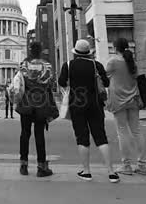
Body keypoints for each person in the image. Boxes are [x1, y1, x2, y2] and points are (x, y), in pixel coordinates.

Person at [58, 39, 119, 183]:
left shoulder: (68, 65)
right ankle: (111, 172)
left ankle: (86, 171)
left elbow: (61, 82)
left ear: (76, 52)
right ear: (88, 53)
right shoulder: (96, 65)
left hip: (77, 104)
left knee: (82, 137)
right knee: (100, 136)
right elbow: (106, 83)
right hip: (95, 104)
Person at [106, 37, 146, 176]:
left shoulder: (113, 62)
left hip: (118, 99)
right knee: (136, 131)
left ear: (115, 47)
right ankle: (142, 165)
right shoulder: (132, 62)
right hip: (134, 98)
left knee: (122, 131)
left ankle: (126, 165)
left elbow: (105, 77)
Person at [16, 42, 57, 178]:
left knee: (24, 133)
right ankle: (41, 167)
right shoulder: (47, 66)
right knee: (39, 135)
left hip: (26, 102)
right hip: (41, 102)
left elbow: (21, 82)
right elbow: (50, 83)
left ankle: (23, 165)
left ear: (30, 50)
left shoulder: (23, 65)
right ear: (40, 51)